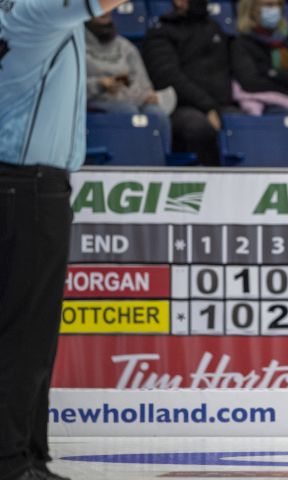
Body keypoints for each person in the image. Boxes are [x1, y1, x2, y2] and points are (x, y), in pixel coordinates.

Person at [0, 0, 127, 478]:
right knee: (26, 334)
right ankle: (12, 460)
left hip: (22, 182)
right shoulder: (35, 11)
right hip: (29, 185)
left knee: (23, 331)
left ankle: (27, 454)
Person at [144, 0, 238, 166]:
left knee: (243, 122)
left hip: (220, 105)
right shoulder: (161, 32)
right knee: (197, 128)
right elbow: (168, 77)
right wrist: (208, 106)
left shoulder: (214, 28)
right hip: (181, 106)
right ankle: (205, 183)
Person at [85, 12, 172, 152]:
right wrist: (100, 84)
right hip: (95, 100)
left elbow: (144, 84)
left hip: (131, 98)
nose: (105, 12)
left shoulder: (126, 47)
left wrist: (143, 95)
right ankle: (125, 161)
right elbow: (70, 90)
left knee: (157, 114)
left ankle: (161, 164)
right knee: (126, 111)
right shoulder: (76, 47)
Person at [231, 0, 288, 112]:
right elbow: (251, 83)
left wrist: (273, 74)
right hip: (266, 105)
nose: (275, 9)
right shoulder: (241, 43)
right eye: (268, 5)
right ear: (250, 9)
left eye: (278, 5)